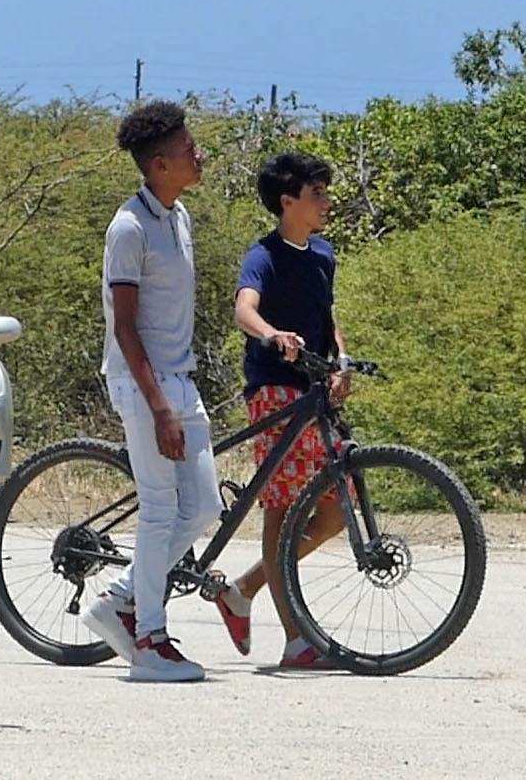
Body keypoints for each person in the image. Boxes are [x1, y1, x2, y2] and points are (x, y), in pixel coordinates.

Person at [80, 101, 224, 683]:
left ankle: (120, 599)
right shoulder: (129, 228)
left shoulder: (178, 215)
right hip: (142, 384)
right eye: (189, 148)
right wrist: (159, 407)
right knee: (160, 509)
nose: (199, 153)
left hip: (179, 379)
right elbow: (125, 326)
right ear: (160, 163)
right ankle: (149, 643)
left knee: (205, 505)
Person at [209, 151, 351, 669]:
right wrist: (272, 335)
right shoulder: (263, 255)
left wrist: (343, 361)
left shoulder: (323, 255)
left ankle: (244, 588)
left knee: (336, 509)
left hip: (316, 391)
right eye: (317, 194)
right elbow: (244, 306)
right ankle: (296, 642)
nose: (327, 201)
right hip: (275, 389)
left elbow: (328, 317)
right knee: (283, 508)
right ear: (288, 201)